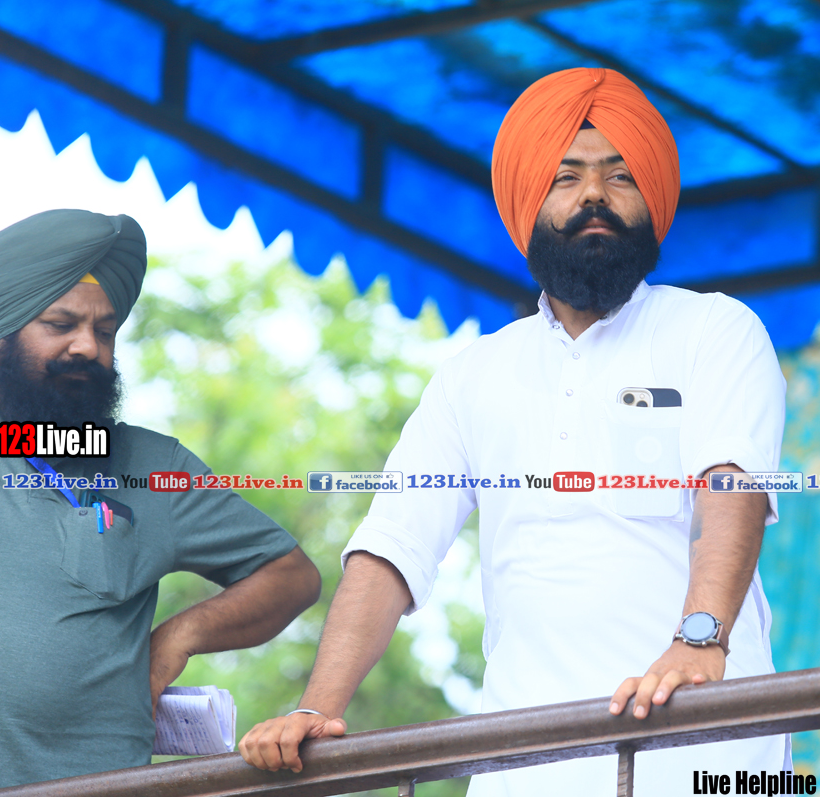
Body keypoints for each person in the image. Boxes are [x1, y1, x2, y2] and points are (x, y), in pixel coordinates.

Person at [239, 68, 789, 794]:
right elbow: (394, 546)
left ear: (651, 200)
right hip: (523, 768)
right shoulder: (474, 374)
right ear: (528, 200)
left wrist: (699, 640)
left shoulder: (713, 328)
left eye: (620, 175)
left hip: (698, 751)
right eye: (567, 177)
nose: (594, 195)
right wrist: (318, 706)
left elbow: (731, 484)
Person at [0, 209, 322, 797]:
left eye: (105, 331)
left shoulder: (152, 465)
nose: (87, 347)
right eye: (61, 324)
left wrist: (182, 635)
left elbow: (291, 576)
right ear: (1, 331)